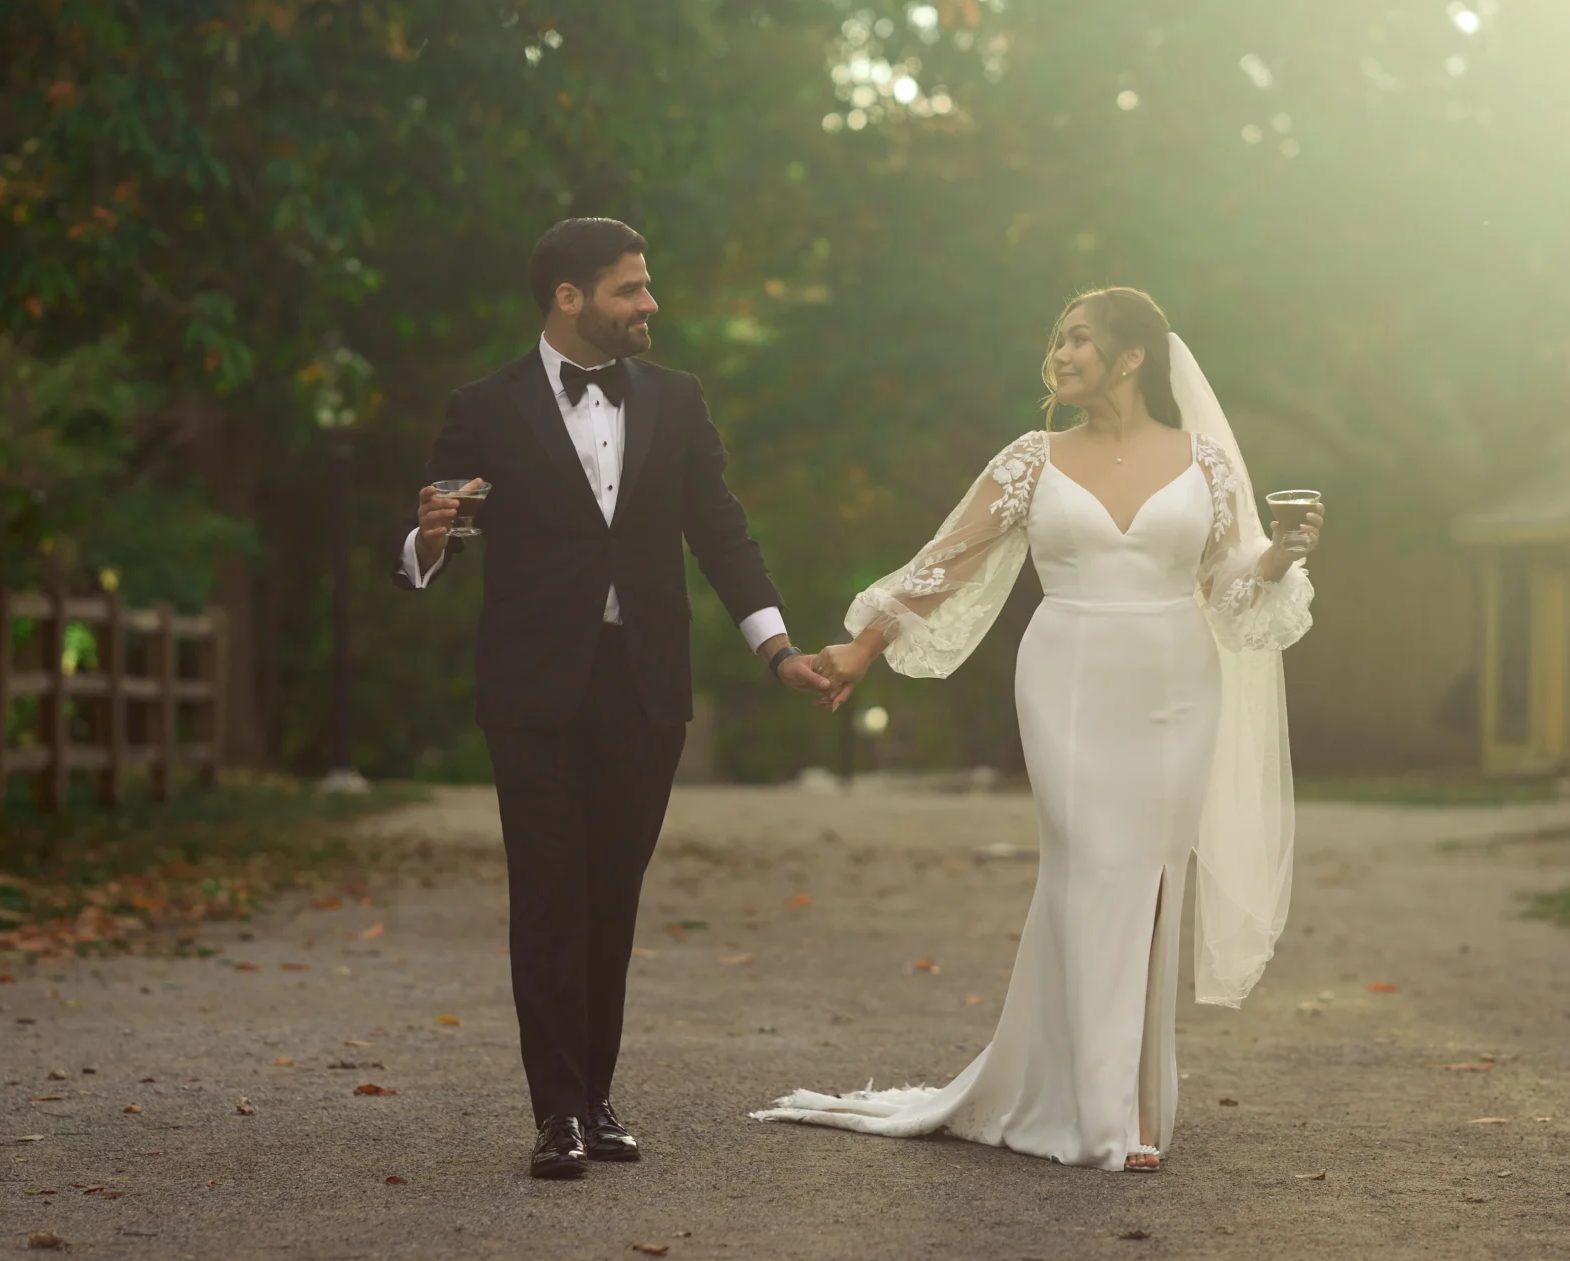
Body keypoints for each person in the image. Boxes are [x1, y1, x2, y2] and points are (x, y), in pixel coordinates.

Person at [759, 287, 1322, 1173]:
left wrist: (1284, 554)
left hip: (1179, 680)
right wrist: (865, 644)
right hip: (1067, 676)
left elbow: (1232, 579)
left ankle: (1129, 1103)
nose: (1059, 356)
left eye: (1079, 341)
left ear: (1132, 358)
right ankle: (1098, 1112)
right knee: (1093, 864)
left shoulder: (1206, 462)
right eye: (1058, 342)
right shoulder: (1032, 458)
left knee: (1153, 879)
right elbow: (948, 557)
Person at [396, 218, 832, 1179]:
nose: (649, 304)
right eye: (630, 289)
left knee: (612, 898)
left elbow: (722, 533)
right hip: (534, 689)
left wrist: (777, 649)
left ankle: (595, 1097)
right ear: (569, 298)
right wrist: (429, 538)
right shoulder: (484, 406)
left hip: (645, 688)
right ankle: (555, 1115)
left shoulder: (678, 401)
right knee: (549, 896)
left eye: (646, 287)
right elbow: (436, 533)